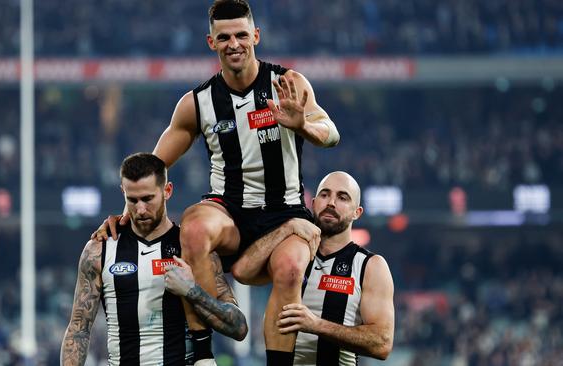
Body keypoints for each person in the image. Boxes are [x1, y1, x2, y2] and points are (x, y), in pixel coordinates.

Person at [97, 1, 339, 364]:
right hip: (229, 210)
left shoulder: (287, 84)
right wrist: (127, 211)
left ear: (256, 36)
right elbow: (154, 165)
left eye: (242, 35)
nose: (234, 44)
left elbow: (331, 133)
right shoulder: (197, 103)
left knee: (290, 269)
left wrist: (302, 124)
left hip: (285, 210)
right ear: (211, 42)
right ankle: (203, 353)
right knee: (192, 228)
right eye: (223, 37)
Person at [62, 153, 247, 366]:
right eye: (132, 200)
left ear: (167, 191)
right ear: (123, 192)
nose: (140, 209)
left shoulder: (192, 248)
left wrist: (192, 292)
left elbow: (239, 328)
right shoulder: (100, 250)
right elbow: (78, 329)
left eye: (148, 199)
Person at [234, 171, 395, 365]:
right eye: (325, 195)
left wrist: (316, 325)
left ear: (357, 212)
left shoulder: (370, 266)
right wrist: (286, 228)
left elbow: (381, 344)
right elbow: (242, 271)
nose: (331, 202)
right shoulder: (289, 254)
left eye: (342, 197)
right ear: (313, 203)